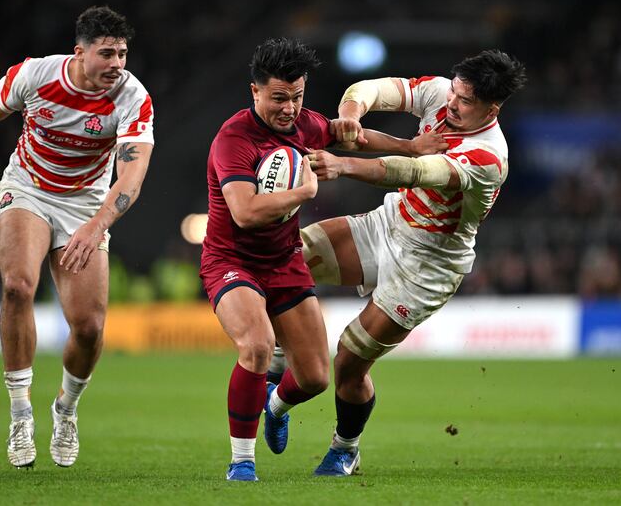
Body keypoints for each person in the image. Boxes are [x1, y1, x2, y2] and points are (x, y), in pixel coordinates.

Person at [0, 6, 154, 468]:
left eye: (122, 54)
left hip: (86, 205)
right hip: (29, 188)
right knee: (18, 286)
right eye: (107, 53)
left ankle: (66, 409)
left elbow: (132, 177)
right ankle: (20, 414)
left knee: (89, 327)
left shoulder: (132, 96)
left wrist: (96, 226)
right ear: (79, 53)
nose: (117, 63)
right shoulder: (35, 75)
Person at [301, 50, 527, 476]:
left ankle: (345, 447)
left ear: (491, 110)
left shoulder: (487, 157)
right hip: (391, 223)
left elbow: (414, 172)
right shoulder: (442, 93)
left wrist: (343, 164)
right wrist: (350, 115)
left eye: (465, 101)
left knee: (348, 360)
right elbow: (371, 89)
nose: (452, 104)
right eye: (455, 92)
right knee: (292, 257)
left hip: (428, 267)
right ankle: (279, 361)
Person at [200, 37, 337, 482]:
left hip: (284, 261)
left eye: (297, 96)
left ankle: (275, 405)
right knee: (258, 347)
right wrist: (304, 191)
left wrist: (411, 149)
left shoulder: (305, 124)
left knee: (315, 378)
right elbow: (244, 212)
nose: (289, 108)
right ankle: (241, 461)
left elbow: (346, 133)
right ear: (255, 91)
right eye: (279, 98)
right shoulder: (233, 139)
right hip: (231, 260)